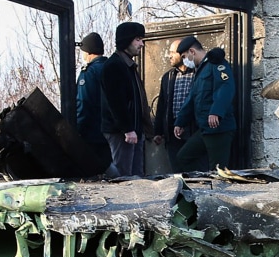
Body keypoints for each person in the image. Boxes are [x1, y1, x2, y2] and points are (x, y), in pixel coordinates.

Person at [173, 35, 236, 171]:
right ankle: (202, 185)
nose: (184, 61)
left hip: (219, 128)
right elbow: (192, 98)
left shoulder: (215, 63)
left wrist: (216, 111)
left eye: (184, 57)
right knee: (183, 157)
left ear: (192, 52)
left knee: (218, 170)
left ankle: (215, 190)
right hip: (205, 129)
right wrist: (180, 122)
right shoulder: (200, 70)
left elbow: (225, 87)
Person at [100, 21, 152, 177]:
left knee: (135, 176)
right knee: (124, 177)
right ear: (126, 40)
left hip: (132, 131)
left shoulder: (127, 65)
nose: (141, 44)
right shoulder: (114, 66)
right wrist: (127, 129)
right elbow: (116, 102)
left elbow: (138, 102)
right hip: (122, 133)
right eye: (137, 39)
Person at [153, 38, 197, 171]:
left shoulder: (197, 73)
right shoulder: (168, 77)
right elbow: (162, 105)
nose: (169, 56)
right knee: (177, 171)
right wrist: (158, 131)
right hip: (172, 133)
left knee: (195, 171)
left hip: (192, 129)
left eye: (173, 52)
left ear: (183, 53)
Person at [75, 32, 112, 173]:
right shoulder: (112, 67)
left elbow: (84, 103)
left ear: (88, 51)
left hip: (93, 133)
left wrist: (77, 130)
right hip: (114, 130)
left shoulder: (89, 72)